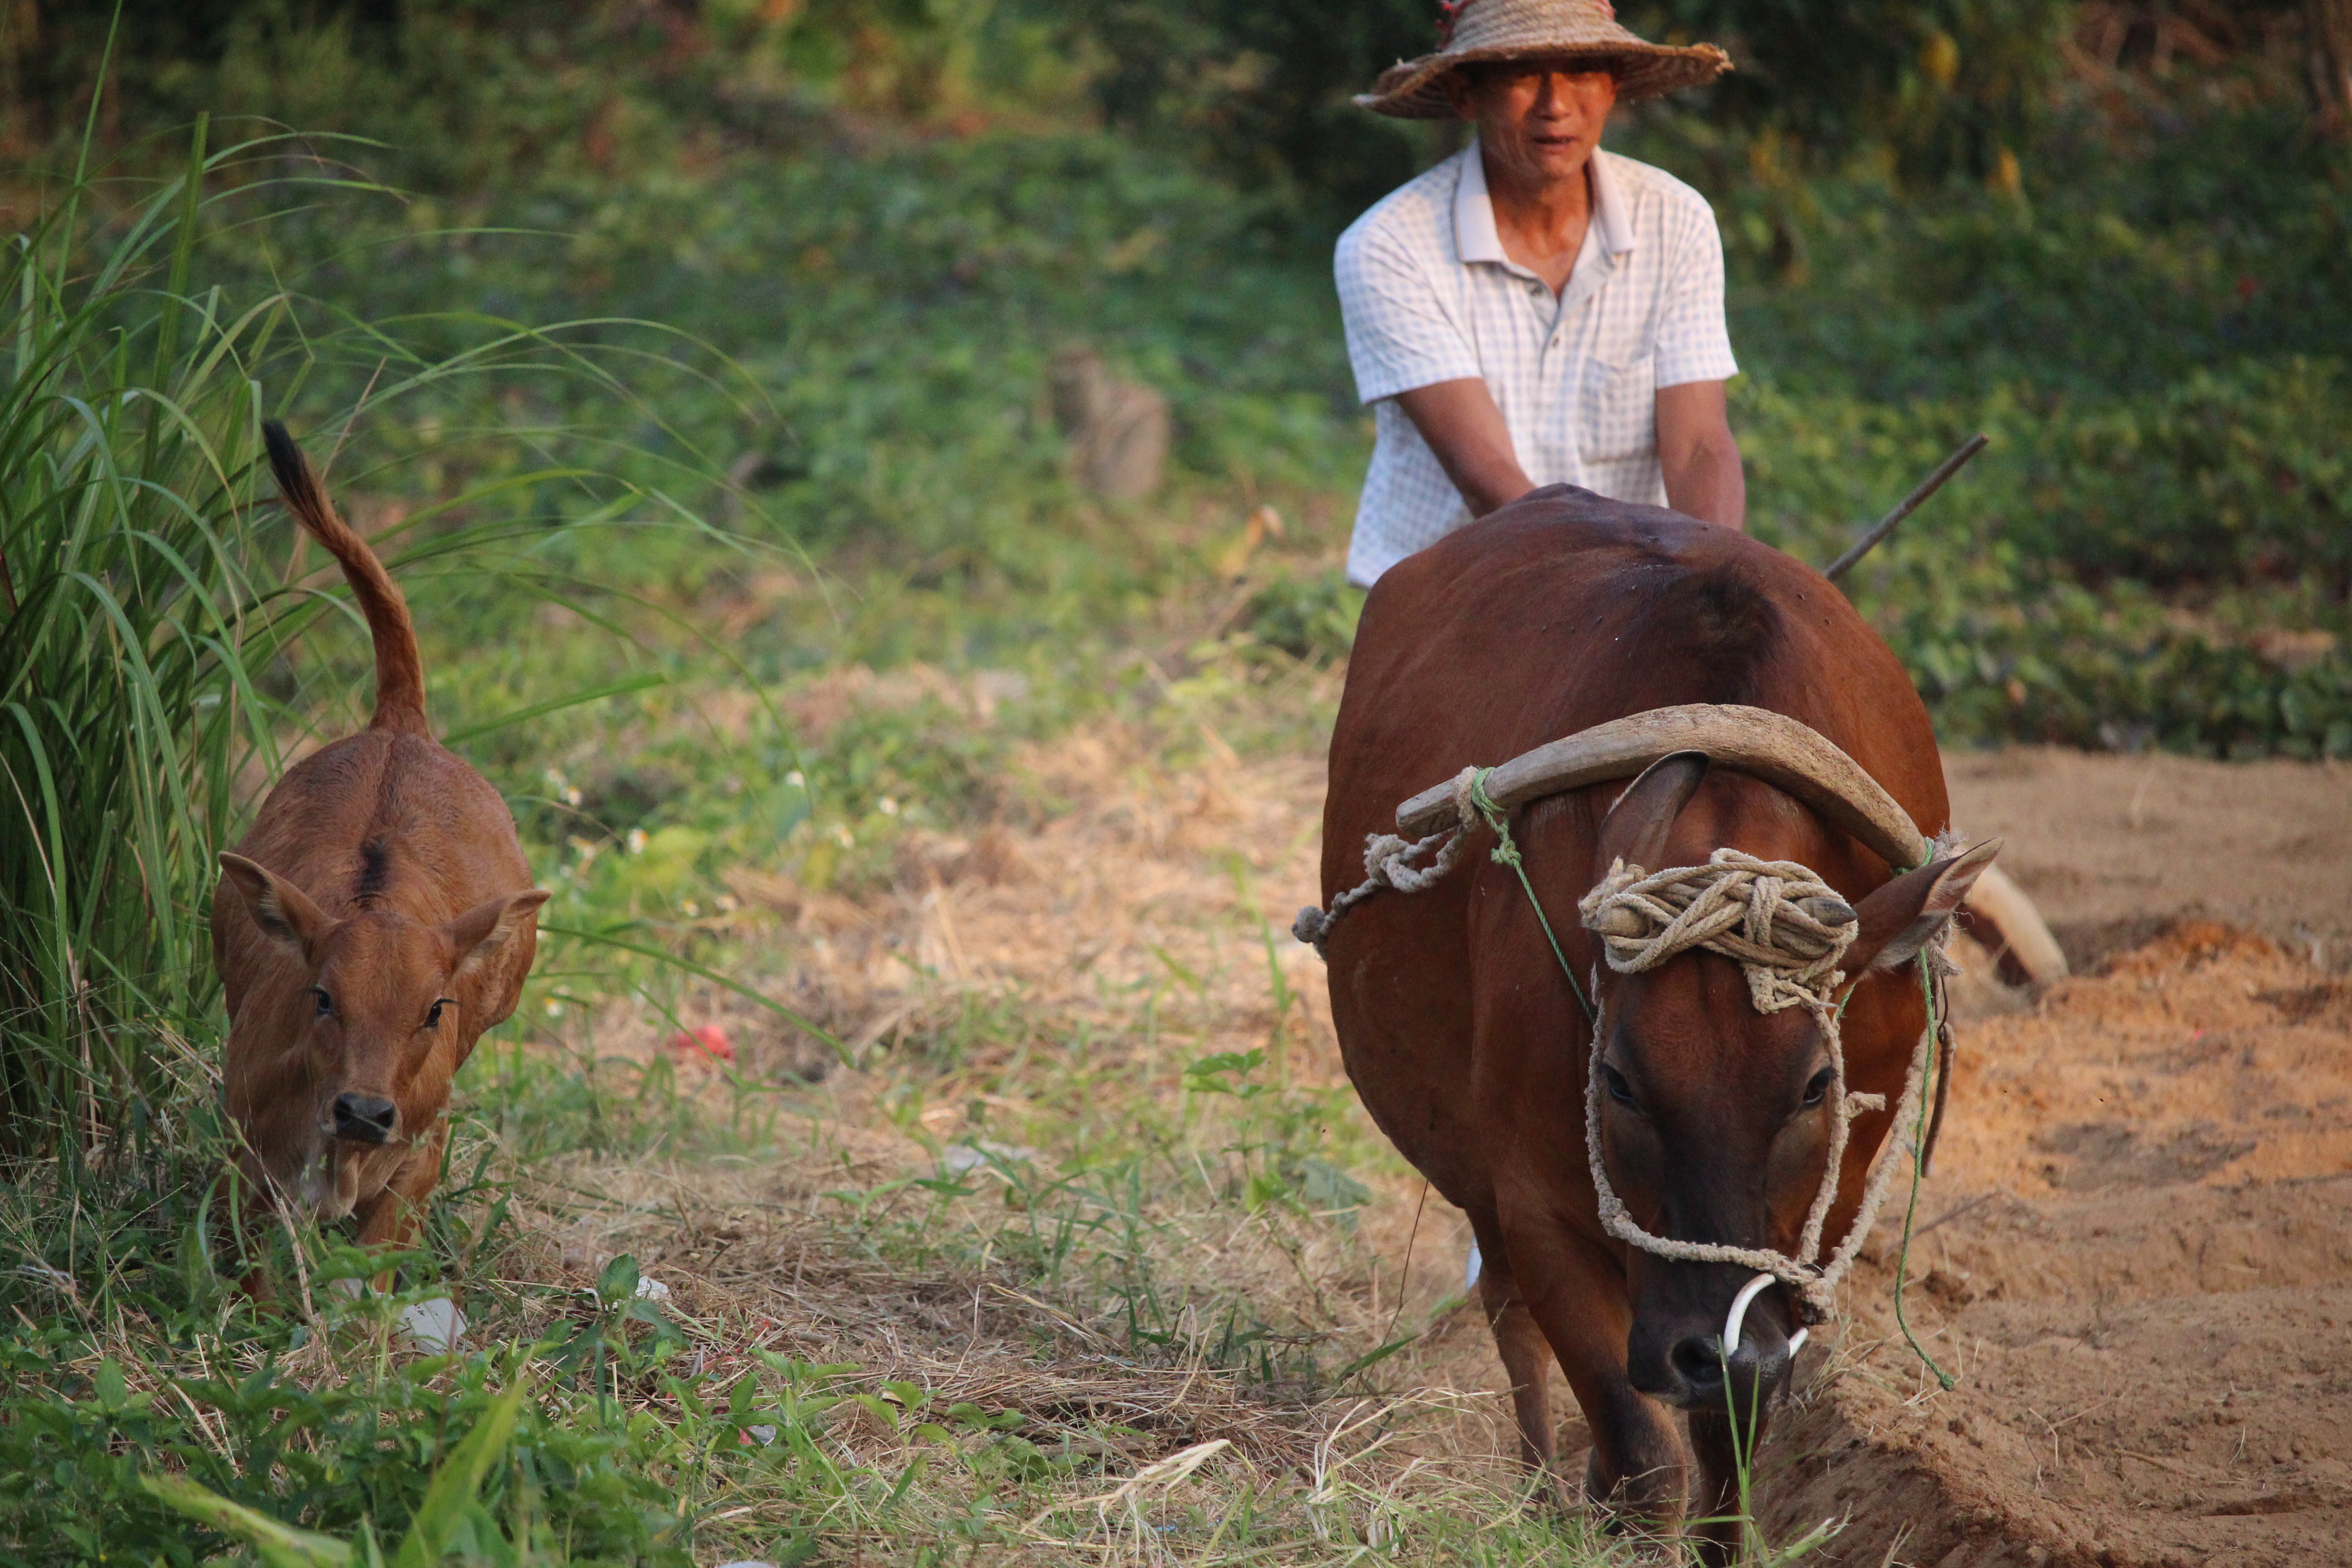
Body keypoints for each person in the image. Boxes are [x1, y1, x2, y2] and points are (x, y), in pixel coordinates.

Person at [1337, 0, 1740, 587]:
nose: (1556, 106)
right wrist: (1624, 598)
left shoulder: (1676, 219)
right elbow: (1486, 474)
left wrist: (1714, 577)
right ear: (1465, 96)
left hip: (1647, 598)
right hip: (1449, 598)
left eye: (1581, 71)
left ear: (1613, 86)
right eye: (1522, 75)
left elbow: (1700, 443)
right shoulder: (1390, 244)